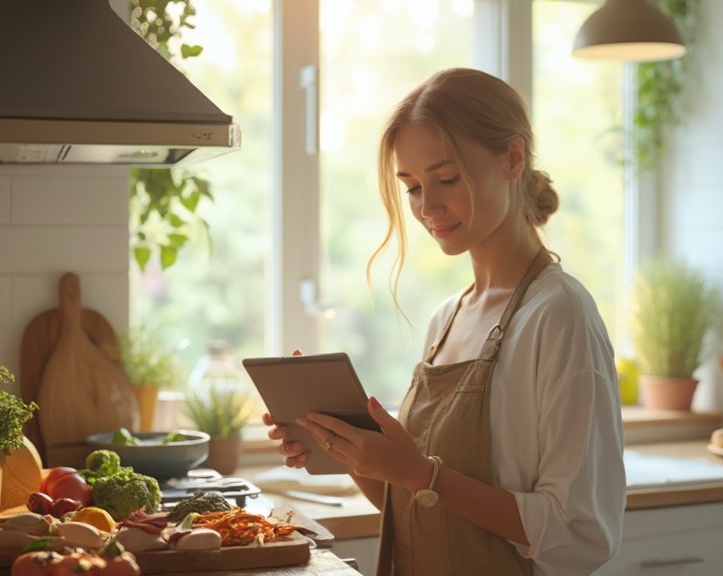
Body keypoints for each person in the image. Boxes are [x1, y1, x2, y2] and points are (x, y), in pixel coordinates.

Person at [264, 67, 625, 576]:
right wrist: (348, 449)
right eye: (411, 186)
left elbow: (580, 534)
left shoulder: (559, 315)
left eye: (446, 179)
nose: (426, 206)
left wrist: (422, 476)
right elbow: (417, 505)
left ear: (513, 159)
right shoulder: (447, 319)